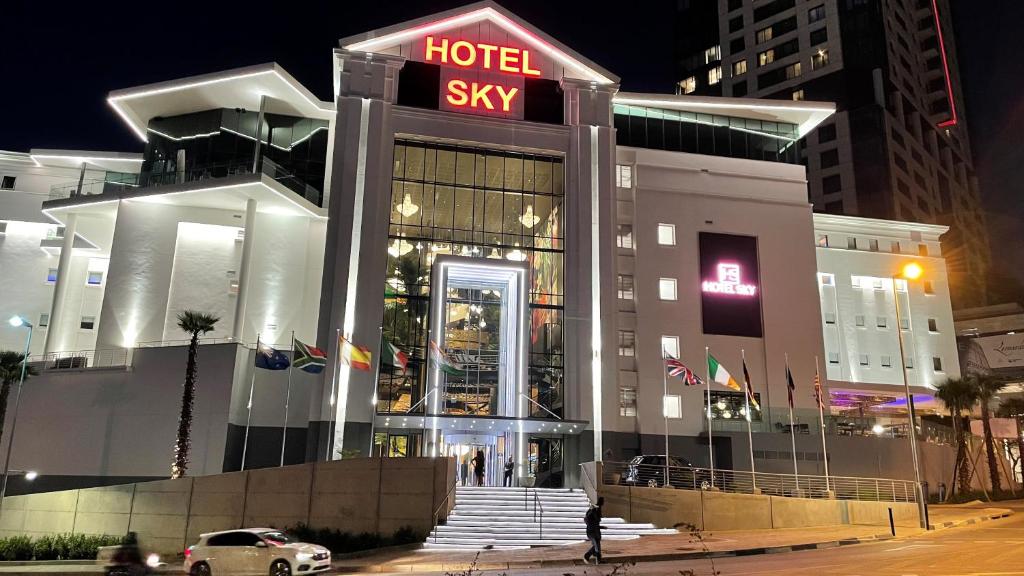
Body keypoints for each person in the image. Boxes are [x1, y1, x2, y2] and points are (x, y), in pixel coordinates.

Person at [583, 496, 605, 564]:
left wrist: (600, 527)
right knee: (597, 545)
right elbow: (595, 520)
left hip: (594, 531)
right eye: (603, 501)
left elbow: (595, 521)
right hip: (592, 532)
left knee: (597, 545)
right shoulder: (594, 511)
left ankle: (595, 557)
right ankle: (588, 556)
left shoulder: (594, 510)